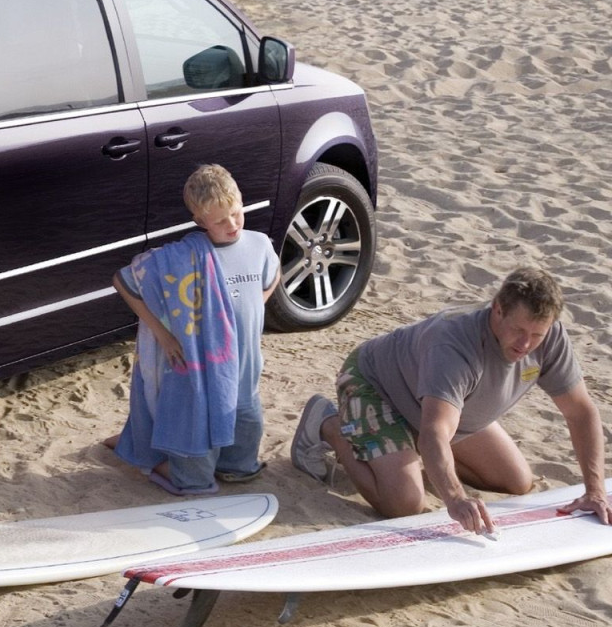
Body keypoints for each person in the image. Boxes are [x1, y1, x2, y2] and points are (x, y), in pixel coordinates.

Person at [291, 266, 610, 535]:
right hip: (374, 384)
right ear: (497, 309)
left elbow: (581, 413)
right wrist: (455, 499)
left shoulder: (550, 339)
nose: (526, 344)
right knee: (405, 503)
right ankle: (330, 425)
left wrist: (595, 491)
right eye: (519, 330)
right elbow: (434, 433)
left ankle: (405, 455)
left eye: (537, 334)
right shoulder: (454, 344)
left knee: (516, 481)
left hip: (444, 408)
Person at [105, 164, 281, 496]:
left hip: (246, 369)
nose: (232, 225)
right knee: (196, 478)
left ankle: (229, 464)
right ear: (200, 221)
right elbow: (124, 280)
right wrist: (163, 335)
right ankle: (149, 459)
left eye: (236, 213)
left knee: (243, 445)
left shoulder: (259, 245)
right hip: (203, 373)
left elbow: (273, 273)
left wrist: (257, 303)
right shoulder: (182, 257)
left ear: (241, 201)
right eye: (220, 221)